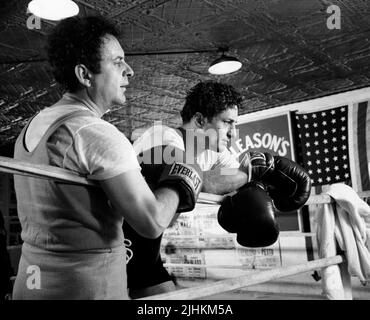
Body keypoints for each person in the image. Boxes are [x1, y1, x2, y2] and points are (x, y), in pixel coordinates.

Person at [12, 15, 202, 300]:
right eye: (117, 62)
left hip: (32, 285)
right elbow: (151, 222)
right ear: (85, 75)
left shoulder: (32, 126)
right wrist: (181, 179)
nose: (130, 71)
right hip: (87, 289)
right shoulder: (95, 133)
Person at [126, 81, 311, 298]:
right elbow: (194, 179)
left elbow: (233, 176)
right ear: (200, 120)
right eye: (227, 122)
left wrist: (261, 180)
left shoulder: (213, 153)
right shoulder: (162, 136)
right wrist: (251, 172)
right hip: (116, 237)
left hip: (148, 245)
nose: (234, 133)